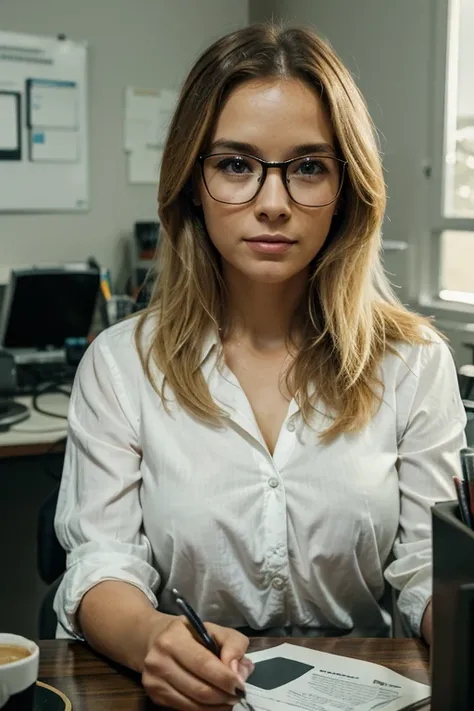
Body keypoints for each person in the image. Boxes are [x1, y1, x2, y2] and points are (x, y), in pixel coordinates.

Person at [54, 22, 466, 710]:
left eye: (308, 166)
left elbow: (429, 568)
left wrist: (458, 615)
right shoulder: (121, 364)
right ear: (193, 181)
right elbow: (102, 562)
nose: (273, 203)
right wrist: (151, 635)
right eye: (236, 164)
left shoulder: (415, 362)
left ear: (345, 189)